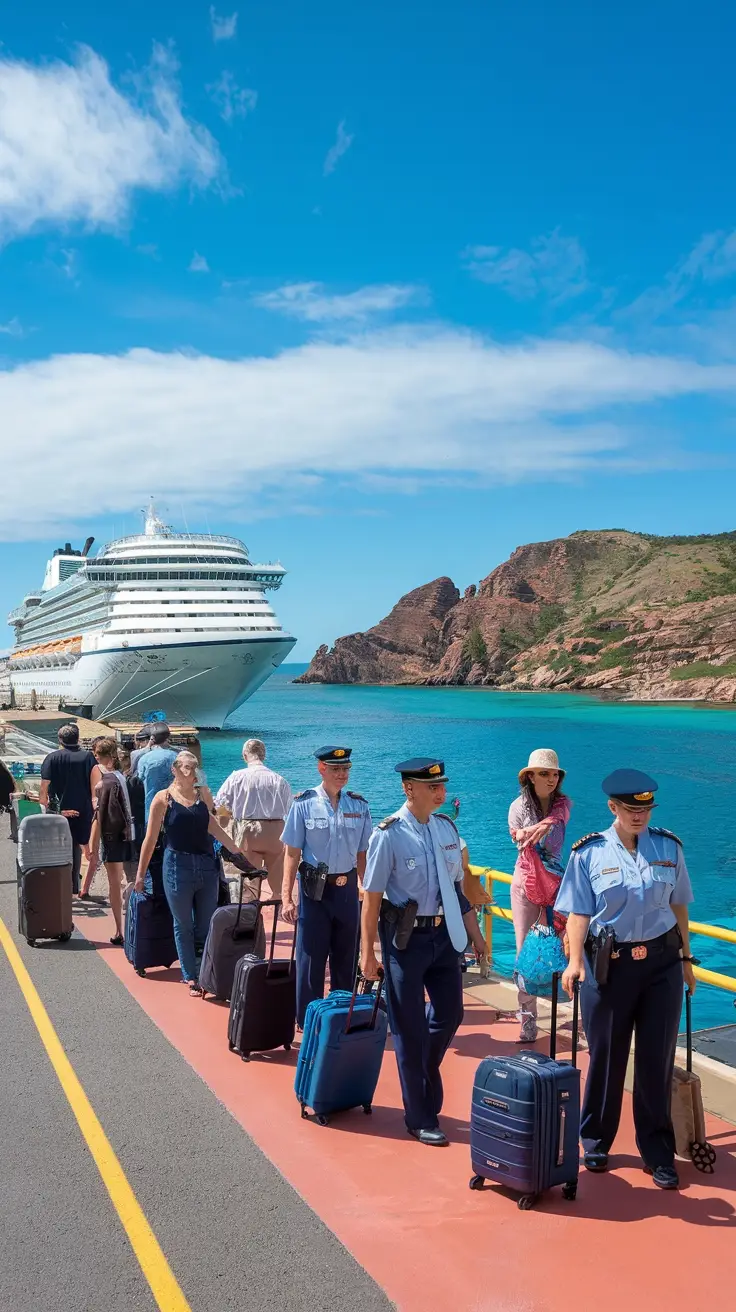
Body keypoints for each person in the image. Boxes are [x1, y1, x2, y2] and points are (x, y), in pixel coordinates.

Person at [557, 768, 696, 1190]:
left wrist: (687, 960)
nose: (640, 816)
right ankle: (596, 1139)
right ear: (613, 808)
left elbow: (679, 907)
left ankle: (656, 1151)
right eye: (631, 809)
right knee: (607, 1057)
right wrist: (574, 961)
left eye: (646, 809)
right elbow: (579, 912)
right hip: (610, 967)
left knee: (656, 1059)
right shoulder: (589, 853)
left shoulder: (669, 848)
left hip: (661, 965)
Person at [361, 758, 483, 1147]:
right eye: (432, 787)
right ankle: (419, 1116)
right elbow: (371, 898)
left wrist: (476, 936)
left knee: (452, 1013)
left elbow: (458, 890)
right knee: (409, 1029)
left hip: (445, 937)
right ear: (409, 789)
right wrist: (368, 954)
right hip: (404, 942)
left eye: (442, 786)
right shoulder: (388, 835)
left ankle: (424, 1068)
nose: (440, 792)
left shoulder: (447, 828)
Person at [281, 747, 371, 1027]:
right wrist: (286, 897)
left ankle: (340, 1015)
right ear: (321, 769)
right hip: (314, 890)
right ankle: (307, 1019)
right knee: (311, 957)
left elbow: (363, 855)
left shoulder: (358, 805)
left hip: (346, 890)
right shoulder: (303, 804)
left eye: (346, 769)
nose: (342, 774)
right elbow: (292, 853)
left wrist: (367, 892)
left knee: (347, 956)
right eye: (335, 769)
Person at [134, 751, 236, 995]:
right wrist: (140, 875)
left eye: (193, 767)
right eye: (185, 767)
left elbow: (213, 827)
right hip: (176, 867)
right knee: (183, 925)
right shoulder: (163, 799)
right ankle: (190, 976)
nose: (190, 772)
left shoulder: (204, 794)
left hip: (205, 865)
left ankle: (204, 973)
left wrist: (238, 851)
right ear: (175, 769)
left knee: (205, 923)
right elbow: (150, 839)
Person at [508, 749, 571, 1043]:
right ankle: (528, 1019)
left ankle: (565, 1003)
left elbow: (558, 819)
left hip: (557, 884)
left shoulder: (562, 805)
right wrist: (535, 828)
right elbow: (518, 837)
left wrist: (540, 827)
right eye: (544, 773)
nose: (550, 778)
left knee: (564, 946)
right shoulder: (518, 807)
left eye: (554, 773)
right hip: (527, 883)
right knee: (524, 950)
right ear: (530, 777)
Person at [215, 738, 293, 902]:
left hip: (248, 829)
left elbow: (221, 804)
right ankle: (280, 910)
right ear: (263, 755)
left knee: (250, 881)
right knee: (277, 881)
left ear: (245, 755)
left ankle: (251, 915)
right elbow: (289, 809)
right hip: (276, 829)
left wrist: (225, 822)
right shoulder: (279, 779)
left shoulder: (237, 777)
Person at [39, 723, 101, 895]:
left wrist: (45, 806)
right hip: (83, 809)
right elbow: (95, 784)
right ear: (78, 738)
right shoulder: (88, 757)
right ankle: (74, 885)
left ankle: (61, 886)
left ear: (60, 740)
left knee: (58, 848)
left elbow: (44, 786)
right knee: (78, 847)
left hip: (59, 811)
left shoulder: (52, 758)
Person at [88, 738, 135, 945]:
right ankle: (135, 925)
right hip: (130, 834)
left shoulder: (104, 784)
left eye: (97, 754)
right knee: (132, 880)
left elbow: (100, 816)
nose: (95, 757)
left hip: (113, 838)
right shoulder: (122, 777)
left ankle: (119, 930)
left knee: (114, 884)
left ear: (102, 756)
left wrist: (92, 844)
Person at [137, 724, 177, 822]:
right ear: (168, 737)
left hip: (151, 807)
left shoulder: (144, 758)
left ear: (152, 738)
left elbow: (140, 778)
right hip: (174, 807)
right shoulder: (177, 756)